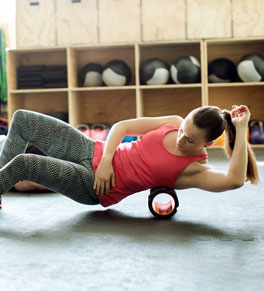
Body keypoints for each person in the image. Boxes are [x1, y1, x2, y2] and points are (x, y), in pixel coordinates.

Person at [0, 105, 259, 209]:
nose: (181, 138)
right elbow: (122, 127)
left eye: (190, 140)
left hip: (94, 186)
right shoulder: (172, 122)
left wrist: (240, 127)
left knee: (25, 164)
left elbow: (234, 180)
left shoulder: (195, 170)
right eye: (182, 131)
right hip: (93, 151)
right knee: (22, 119)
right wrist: (105, 161)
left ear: (208, 144)